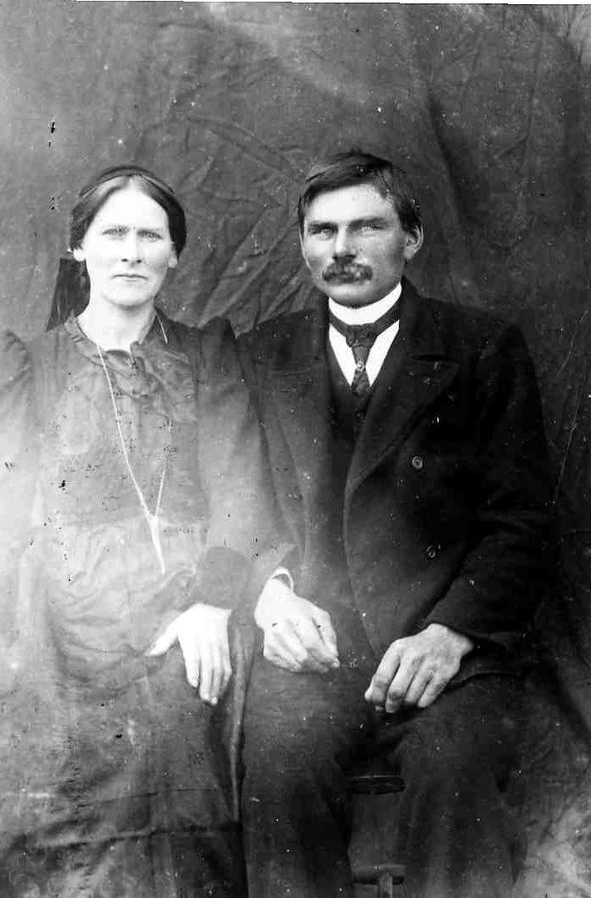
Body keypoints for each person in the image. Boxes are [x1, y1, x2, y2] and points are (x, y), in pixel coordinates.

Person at [238, 150, 554, 898]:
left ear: (411, 237)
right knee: (277, 769)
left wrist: (453, 633)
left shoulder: (482, 348)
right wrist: (270, 597)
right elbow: (236, 504)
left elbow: (522, 521)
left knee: (454, 771)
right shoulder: (260, 354)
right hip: (317, 649)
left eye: (367, 226)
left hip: (447, 650)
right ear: (303, 245)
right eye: (322, 231)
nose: (342, 249)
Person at [0, 164, 279, 897]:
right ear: (80, 249)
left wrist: (213, 603)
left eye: (149, 236)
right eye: (113, 234)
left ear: (174, 253)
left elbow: (241, 485)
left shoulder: (208, 355)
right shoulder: (31, 364)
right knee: (42, 763)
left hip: (188, 606)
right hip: (55, 619)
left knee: (176, 736)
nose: (131, 252)